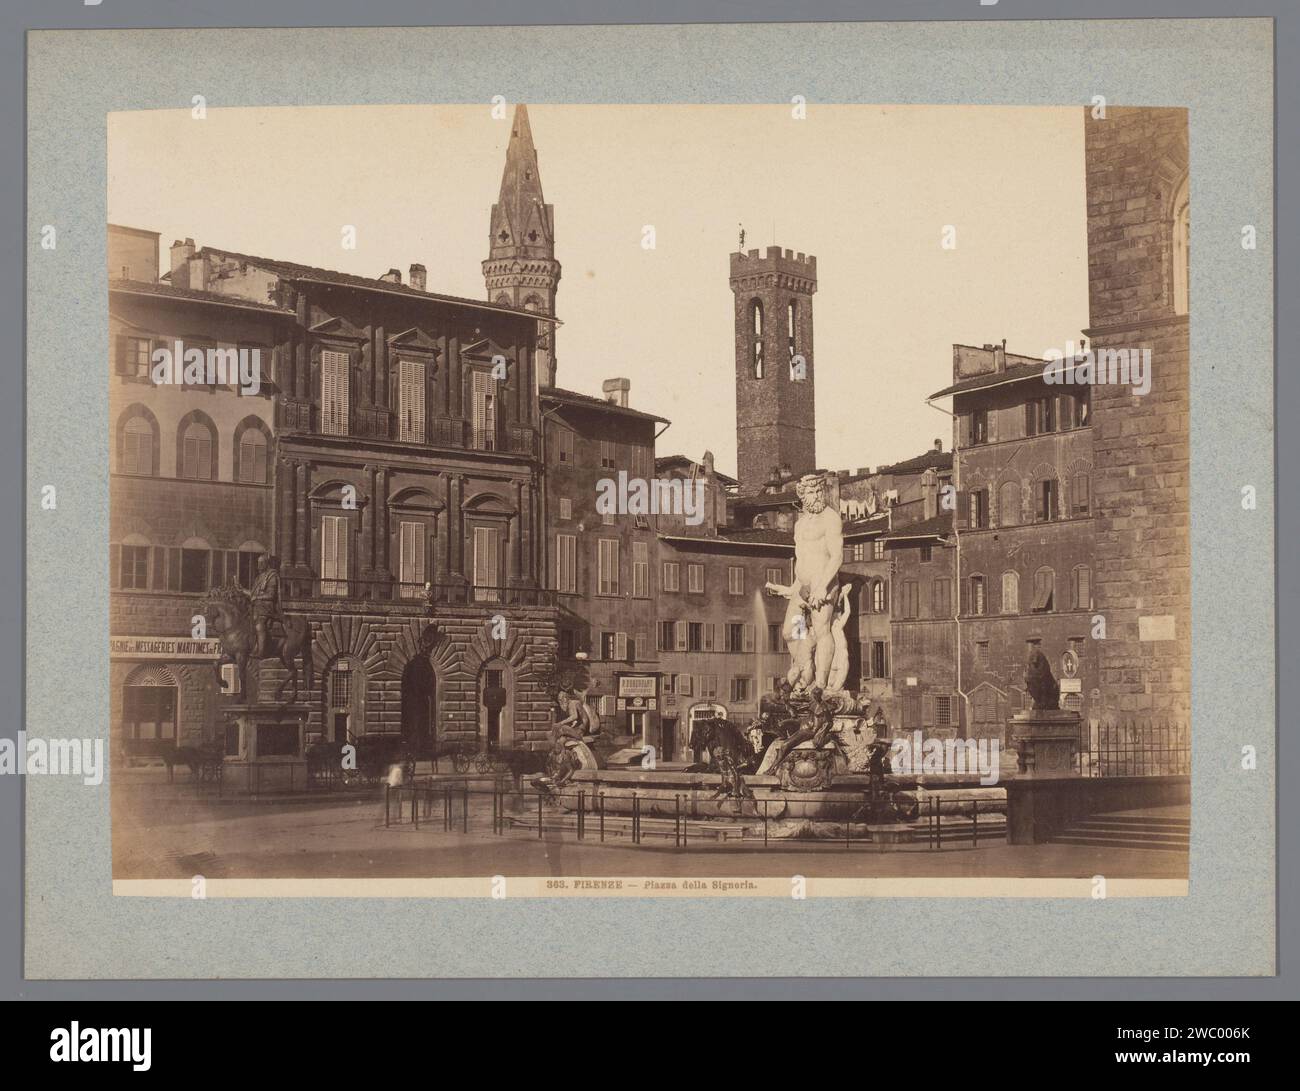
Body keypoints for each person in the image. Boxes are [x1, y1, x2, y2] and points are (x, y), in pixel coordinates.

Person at [250, 553, 282, 659]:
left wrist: (257, 597)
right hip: (257, 605)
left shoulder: (272, 575)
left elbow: (271, 595)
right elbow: (252, 594)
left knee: (259, 624)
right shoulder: (259, 577)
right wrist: (242, 590)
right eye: (258, 563)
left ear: (267, 564)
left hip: (267, 607)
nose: (258, 566)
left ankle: (261, 651)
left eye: (261, 563)